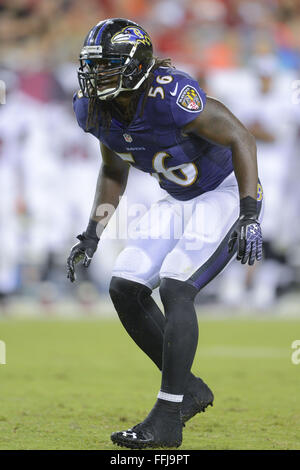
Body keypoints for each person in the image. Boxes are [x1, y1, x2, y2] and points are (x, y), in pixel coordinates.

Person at [67, 18, 263, 449]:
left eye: (107, 65)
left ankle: (168, 415)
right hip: (178, 196)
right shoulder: (94, 107)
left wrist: (249, 212)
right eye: (92, 65)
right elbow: (113, 168)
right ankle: (188, 388)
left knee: (176, 283)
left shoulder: (170, 95)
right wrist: (92, 233)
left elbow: (242, 139)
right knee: (125, 286)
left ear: (135, 66)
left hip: (224, 190)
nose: (95, 75)